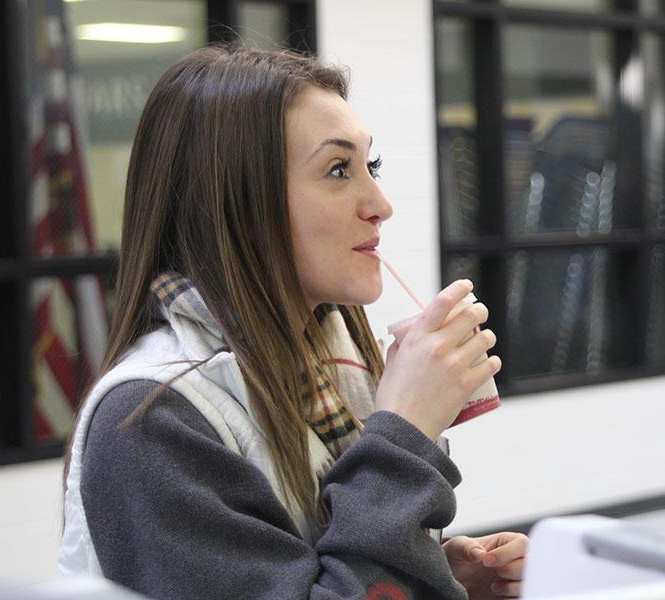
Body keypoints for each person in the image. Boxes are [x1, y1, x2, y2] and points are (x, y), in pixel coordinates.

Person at [59, 45, 527, 600]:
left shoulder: (331, 367)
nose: (380, 203)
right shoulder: (154, 417)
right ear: (236, 203)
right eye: (337, 169)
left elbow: (321, 576)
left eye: (368, 166)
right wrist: (404, 433)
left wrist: (437, 577)